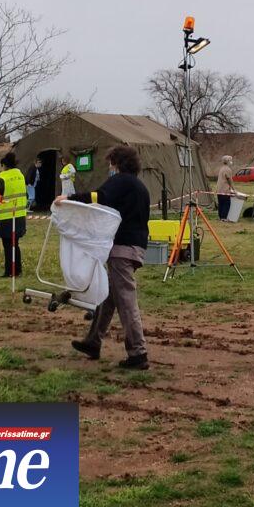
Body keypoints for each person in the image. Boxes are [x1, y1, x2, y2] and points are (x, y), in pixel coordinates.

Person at [62, 145, 152, 370]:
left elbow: (98, 197)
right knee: (107, 295)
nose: (109, 168)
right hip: (136, 246)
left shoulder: (120, 181)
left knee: (126, 300)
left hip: (122, 249)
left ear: (117, 163)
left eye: (111, 163)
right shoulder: (140, 187)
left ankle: (138, 353)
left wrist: (69, 199)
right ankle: (93, 341)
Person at [0, 152, 27, 278]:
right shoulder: (20, 175)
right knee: (15, 244)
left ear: (4, 165)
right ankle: (18, 270)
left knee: (7, 246)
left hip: (6, 216)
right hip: (19, 215)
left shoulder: (3, 177)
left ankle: (9, 271)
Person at [216, 155, 236, 221]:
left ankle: (220, 217)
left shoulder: (221, 168)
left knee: (220, 204)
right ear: (228, 161)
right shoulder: (228, 169)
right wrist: (233, 189)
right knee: (226, 204)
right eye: (230, 160)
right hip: (225, 189)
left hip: (219, 189)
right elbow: (230, 180)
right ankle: (224, 218)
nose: (231, 162)